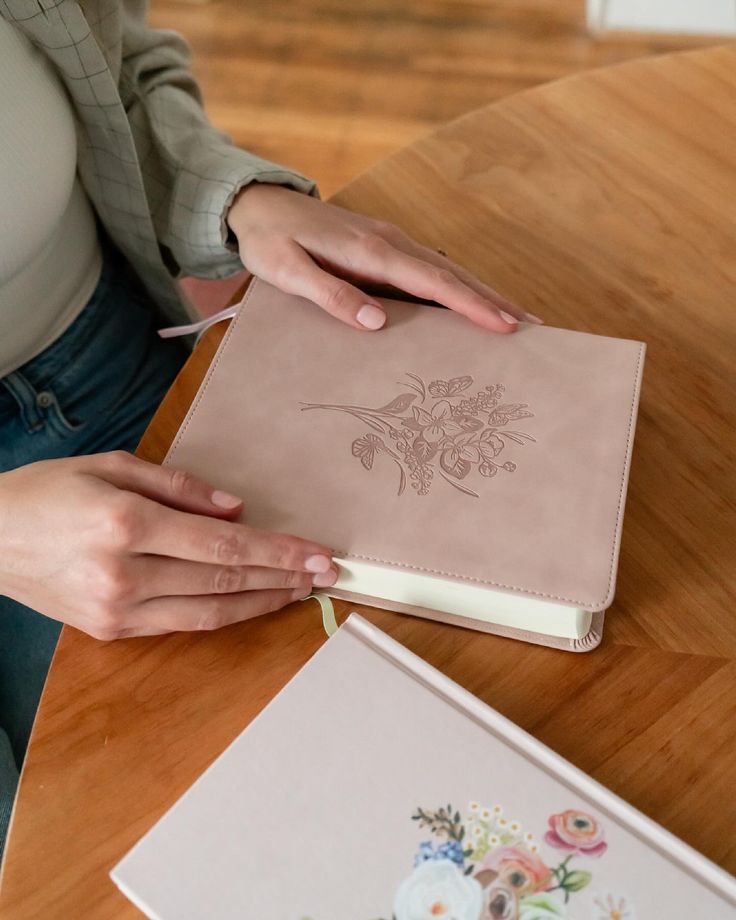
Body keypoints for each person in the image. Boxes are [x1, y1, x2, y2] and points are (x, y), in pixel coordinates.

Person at [0, 1, 542, 859]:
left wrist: (233, 196)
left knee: (314, 783)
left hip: (99, 348)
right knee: (72, 855)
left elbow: (113, 64)